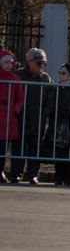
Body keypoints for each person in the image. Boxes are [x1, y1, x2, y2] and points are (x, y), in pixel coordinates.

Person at [10, 48, 52, 184]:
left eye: (43, 64)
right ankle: (16, 173)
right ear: (29, 62)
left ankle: (33, 174)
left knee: (35, 147)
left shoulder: (46, 79)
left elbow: (51, 98)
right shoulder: (18, 76)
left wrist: (45, 112)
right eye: (39, 63)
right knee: (19, 147)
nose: (41, 66)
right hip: (20, 118)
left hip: (38, 120)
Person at [48, 63, 70, 186]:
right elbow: (50, 103)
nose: (60, 75)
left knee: (68, 152)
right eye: (59, 73)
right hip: (57, 123)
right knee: (58, 150)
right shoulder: (56, 88)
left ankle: (68, 178)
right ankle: (58, 177)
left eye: (63, 73)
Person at [0, 50, 26, 181]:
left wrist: (16, 109)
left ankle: (1, 170)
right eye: (5, 62)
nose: (8, 65)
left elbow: (20, 97)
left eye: (10, 63)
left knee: (4, 147)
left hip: (8, 118)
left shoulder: (15, 79)